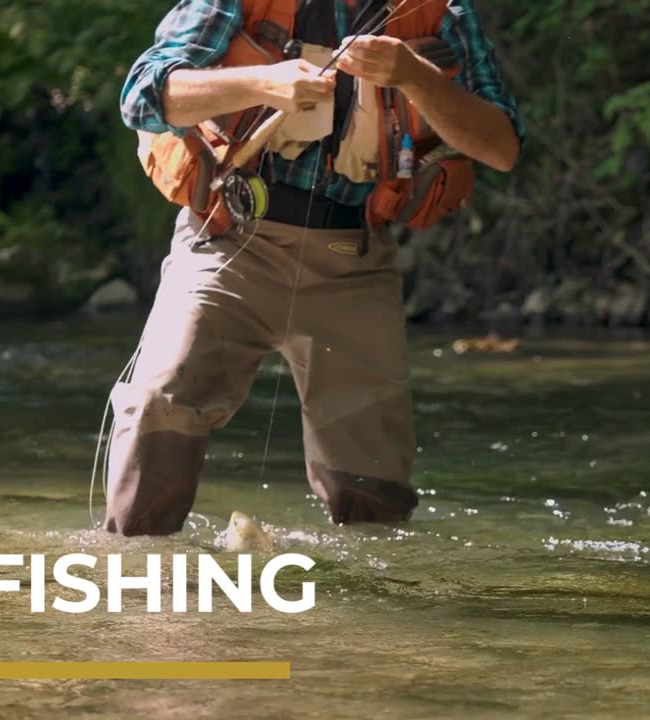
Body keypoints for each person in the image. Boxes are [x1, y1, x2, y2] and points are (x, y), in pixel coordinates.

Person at [106, 0, 522, 536]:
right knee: (162, 402)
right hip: (228, 242)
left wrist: (415, 76)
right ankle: (135, 583)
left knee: (375, 491)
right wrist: (262, 83)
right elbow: (143, 96)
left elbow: (502, 147)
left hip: (354, 258)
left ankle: (368, 611)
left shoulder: (444, 14)